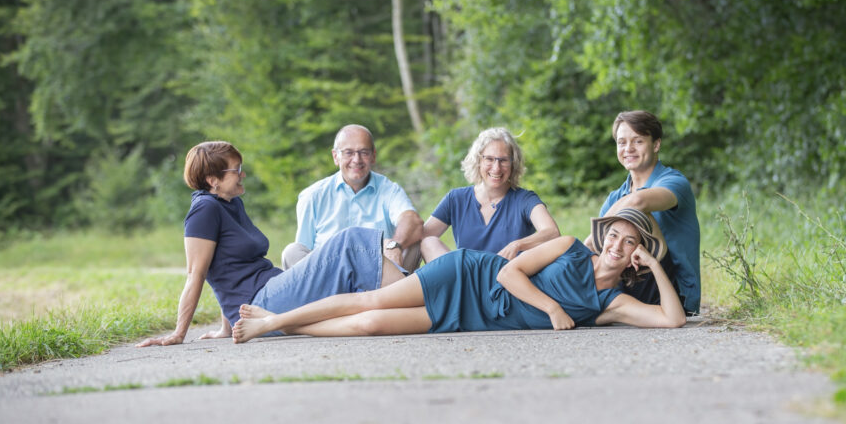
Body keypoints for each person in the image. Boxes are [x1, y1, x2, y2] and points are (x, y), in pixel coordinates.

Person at [231, 207, 686, 343]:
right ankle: (273, 322)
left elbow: (672, 319)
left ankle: (281, 324)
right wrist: (552, 308)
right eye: (614, 234)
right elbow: (510, 275)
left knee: (370, 326)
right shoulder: (569, 248)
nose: (617, 244)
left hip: (469, 318)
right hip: (469, 276)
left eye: (630, 242)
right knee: (371, 301)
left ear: (636, 254)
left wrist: (654, 266)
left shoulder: (610, 304)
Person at [136, 141, 407, 347]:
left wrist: (226, 327)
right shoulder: (204, 210)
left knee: (351, 269)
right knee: (351, 241)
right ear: (212, 180)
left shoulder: (231, 203)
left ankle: (412, 298)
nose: (242, 174)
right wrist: (178, 333)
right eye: (236, 170)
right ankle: (415, 291)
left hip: (273, 288)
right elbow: (197, 274)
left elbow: (228, 267)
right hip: (260, 302)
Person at [590, 110, 701, 315]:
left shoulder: (674, 182)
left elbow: (638, 201)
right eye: (622, 142)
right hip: (626, 283)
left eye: (638, 141)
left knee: (636, 216)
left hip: (672, 291)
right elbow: (597, 247)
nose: (628, 149)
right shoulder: (616, 197)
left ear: (656, 144)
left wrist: (595, 234)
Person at [282, 124, 424, 272]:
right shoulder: (312, 196)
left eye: (364, 152)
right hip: (328, 277)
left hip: (379, 277)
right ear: (335, 157)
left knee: (414, 241)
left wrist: (394, 245)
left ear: (373, 156)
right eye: (348, 153)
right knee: (292, 252)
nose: (357, 159)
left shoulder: (389, 190)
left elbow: (412, 220)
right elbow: (304, 250)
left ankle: (398, 285)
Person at [421, 127, 560, 263]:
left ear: (513, 164)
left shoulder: (525, 199)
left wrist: (517, 245)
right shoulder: (456, 199)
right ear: (478, 160)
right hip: (465, 275)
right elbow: (422, 238)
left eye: (503, 160)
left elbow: (552, 232)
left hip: (506, 275)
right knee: (428, 242)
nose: (496, 168)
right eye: (489, 159)